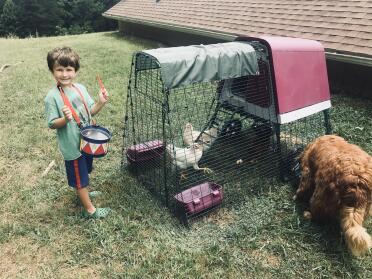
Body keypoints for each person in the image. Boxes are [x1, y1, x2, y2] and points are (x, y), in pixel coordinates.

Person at [44, 46, 110, 219]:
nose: (64, 74)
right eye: (59, 70)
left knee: (85, 170)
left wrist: (101, 102)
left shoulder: (80, 88)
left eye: (69, 69)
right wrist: (65, 120)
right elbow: (52, 124)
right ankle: (90, 210)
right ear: (52, 71)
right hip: (72, 147)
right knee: (79, 178)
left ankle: (84, 191)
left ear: (76, 71)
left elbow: (90, 111)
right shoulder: (52, 97)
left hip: (86, 141)